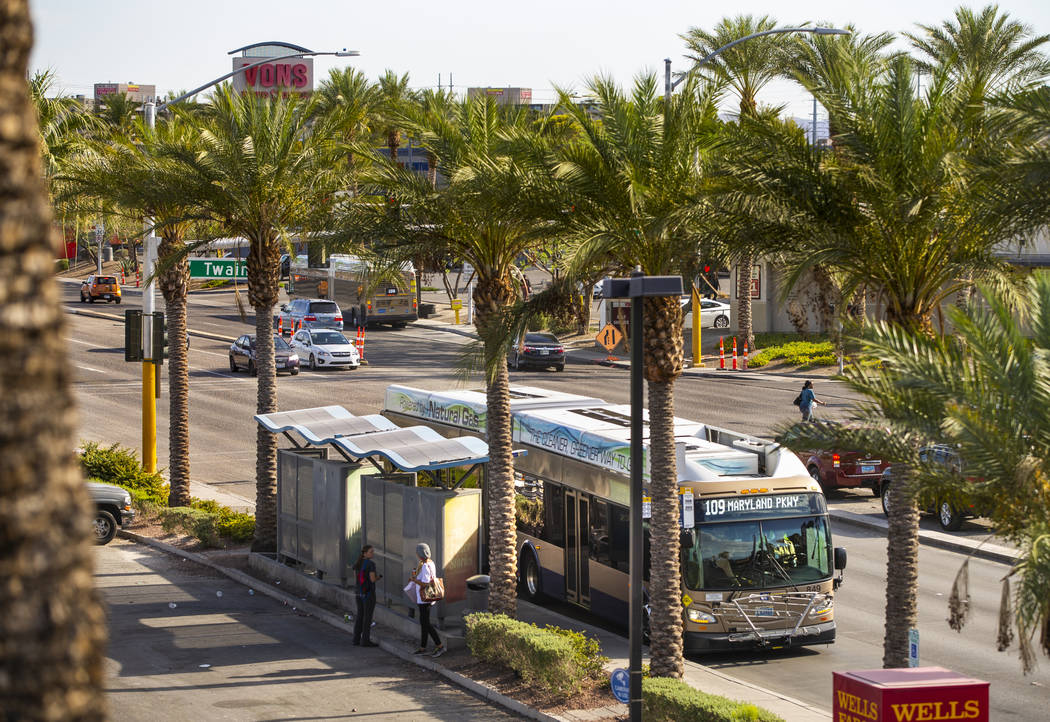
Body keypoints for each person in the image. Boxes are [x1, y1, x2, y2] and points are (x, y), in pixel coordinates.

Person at [409, 542, 445, 657]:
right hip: (426, 598)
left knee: (426, 623)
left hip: (425, 598)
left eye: (417, 551)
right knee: (424, 623)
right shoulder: (429, 562)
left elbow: (425, 584)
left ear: (419, 553)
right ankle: (422, 647)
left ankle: (440, 646)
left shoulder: (424, 566)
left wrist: (414, 581)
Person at [352, 545, 381, 647]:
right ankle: (365, 640)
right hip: (368, 594)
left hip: (358, 593)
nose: (372, 554)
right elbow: (372, 579)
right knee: (367, 617)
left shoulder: (358, 563)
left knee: (360, 615)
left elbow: (356, 578)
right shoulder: (371, 564)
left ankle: (356, 639)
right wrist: (379, 577)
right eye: (371, 552)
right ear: (365, 553)